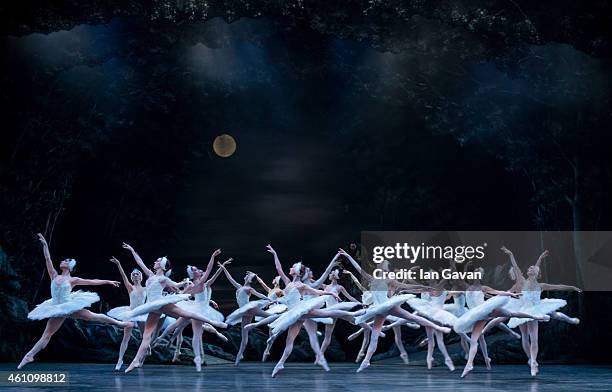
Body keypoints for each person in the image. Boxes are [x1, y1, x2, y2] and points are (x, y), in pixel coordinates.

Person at [18, 234, 131, 369]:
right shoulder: (54, 274)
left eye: (66, 261)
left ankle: (121, 323)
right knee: (47, 334)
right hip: (56, 307)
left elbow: (92, 281)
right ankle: (29, 356)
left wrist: (108, 281)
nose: (63, 261)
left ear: (70, 267)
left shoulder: (72, 280)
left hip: (69, 306)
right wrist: (45, 245)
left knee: (92, 316)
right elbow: (47, 258)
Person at [118, 242, 227, 372]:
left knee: (188, 314)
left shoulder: (163, 279)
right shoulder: (151, 276)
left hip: (161, 304)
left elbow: (177, 285)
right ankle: (136, 361)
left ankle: (212, 322)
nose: (155, 262)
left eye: (158, 261)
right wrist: (132, 250)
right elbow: (140, 262)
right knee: (147, 336)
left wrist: (185, 283)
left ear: (162, 265)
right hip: (152, 307)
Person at [107, 256, 148, 370]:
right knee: (126, 337)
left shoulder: (146, 289)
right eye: (133, 274)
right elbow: (123, 276)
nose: (135, 275)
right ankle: (120, 359)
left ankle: (140, 360)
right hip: (131, 312)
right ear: (132, 277)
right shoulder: (130, 287)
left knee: (145, 337)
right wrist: (119, 264)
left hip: (141, 313)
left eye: (137, 274)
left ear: (141, 276)